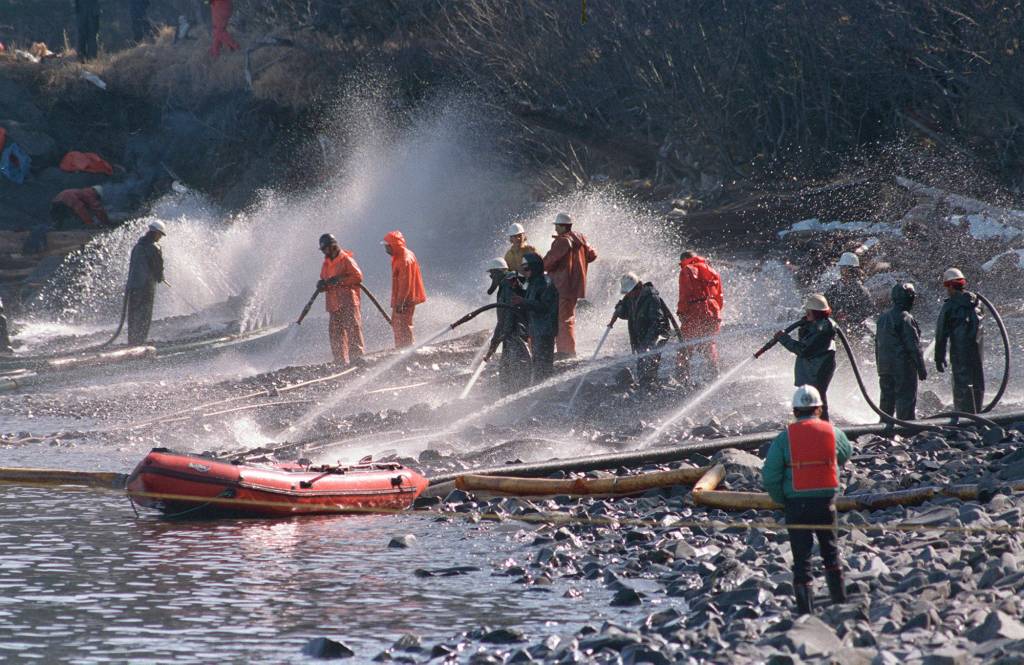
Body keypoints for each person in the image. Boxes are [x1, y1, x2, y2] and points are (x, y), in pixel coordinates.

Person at [762, 385, 853, 615]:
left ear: (795, 411)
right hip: (825, 501)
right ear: (819, 409)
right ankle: (840, 603)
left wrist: (781, 499)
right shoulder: (833, 432)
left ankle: (805, 612)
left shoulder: (785, 438)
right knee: (830, 552)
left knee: (801, 560)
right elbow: (845, 453)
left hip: (796, 505)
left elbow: (770, 474)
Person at [542, 212, 597, 357]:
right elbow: (593, 255)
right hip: (575, 286)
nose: (555, 230)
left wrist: (536, 268)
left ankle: (565, 352)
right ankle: (567, 350)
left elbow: (548, 262)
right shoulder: (581, 238)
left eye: (556, 226)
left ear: (562, 226)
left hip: (561, 286)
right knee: (568, 318)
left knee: (562, 320)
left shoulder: (562, 241)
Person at [775, 294, 837, 420]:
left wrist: (784, 339)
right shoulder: (817, 324)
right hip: (814, 368)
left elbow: (803, 350)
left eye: (808, 313)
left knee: (817, 400)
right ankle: (817, 425)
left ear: (815, 313)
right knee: (816, 399)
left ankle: (821, 426)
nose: (806, 315)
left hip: (817, 370)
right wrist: (806, 324)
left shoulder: (822, 328)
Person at [935, 268, 985, 413]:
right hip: (977, 352)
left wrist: (939, 357)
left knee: (962, 383)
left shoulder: (949, 306)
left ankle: (964, 416)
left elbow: (941, 333)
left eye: (946, 287)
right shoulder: (977, 302)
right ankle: (978, 414)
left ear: (950, 286)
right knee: (977, 380)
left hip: (960, 352)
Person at [875, 283, 927, 422]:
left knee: (886, 402)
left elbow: (878, 345)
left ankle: (884, 432)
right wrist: (921, 368)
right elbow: (914, 346)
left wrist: (880, 367)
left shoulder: (882, 318)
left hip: (885, 368)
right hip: (902, 369)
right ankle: (906, 433)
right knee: (905, 401)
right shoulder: (906, 318)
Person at [614, 272, 672, 389]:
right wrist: (619, 308)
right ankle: (646, 387)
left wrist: (648, 344)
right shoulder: (631, 297)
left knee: (648, 364)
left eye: (631, 292)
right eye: (628, 293)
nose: (629, 295)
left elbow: (658, 323)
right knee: (642, 364)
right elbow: (626, 314)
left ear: (639, 286)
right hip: (641, 336)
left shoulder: (651, 298)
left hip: (656, 337)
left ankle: (650, 389)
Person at [675, 250, 724, 386]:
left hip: (694, 311)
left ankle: (681, 379)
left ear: (685, 259)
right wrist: (716, 312)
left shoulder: (686, 270)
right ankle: (714, 375)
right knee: (709, 344)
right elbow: (720, 295)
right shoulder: (712, 271)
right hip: (713, 311)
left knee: (685, 346)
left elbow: (684, 294)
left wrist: (681, 312)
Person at [482, 258, 531, 393]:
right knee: (507, 367)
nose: (491, 277)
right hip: (512, 333)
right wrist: (493, 344)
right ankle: (510, 394)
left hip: (516, 333)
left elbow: (509, 312)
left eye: (492, 273)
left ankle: (519, 394)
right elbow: (503, 318)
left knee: (516, 365)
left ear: (499, 272)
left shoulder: (509, 285)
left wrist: (505, 333)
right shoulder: (506, 285)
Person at [317, 233, 364, 365]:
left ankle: (357, 359)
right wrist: (321, 285)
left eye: (325, 249)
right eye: (323, 250)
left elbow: (358, 277)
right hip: (333, 304)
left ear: (332, 246)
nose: (324, 252)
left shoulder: (346, 260)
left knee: (352, 330)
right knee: (335, 334)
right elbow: (325, 280)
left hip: (348, 302)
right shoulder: (326, 263)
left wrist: (340, 280)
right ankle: (339, 361)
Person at [513, 252, 559, 384]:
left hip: (544, 331)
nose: (525, 272)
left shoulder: (545, 282)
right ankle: (539, 390)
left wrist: (523, 301)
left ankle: (545, 393)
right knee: (537, 364)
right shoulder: (533, 282)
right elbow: (530, 300)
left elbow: (545, 306)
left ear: (535, 267)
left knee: (543, 366)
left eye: (526, 269)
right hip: (536, 330)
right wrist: (519, 292)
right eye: (523, 269)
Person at [383, 230, 426, 348]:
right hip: (407, 297)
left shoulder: (403, 260)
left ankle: (406, 349)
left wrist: (400, 302)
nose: (386, 250)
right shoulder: (402, 254)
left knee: (402, 324)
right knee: (399, 324)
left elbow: (405, 283)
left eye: (387, 246)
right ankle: (403, 347)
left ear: (393, 246)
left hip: (406, 298)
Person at [125, 221, 166, 345]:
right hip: (145, 286)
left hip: (132, 286)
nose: (160, 238)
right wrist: (160, 277)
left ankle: (132, 341)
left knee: (133, 314)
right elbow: (158, 267)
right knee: (144, 315)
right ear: (156, 233)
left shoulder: (137, 246)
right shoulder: (154, 247)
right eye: (160, 235)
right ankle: (141, 341)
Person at [823, 252, 874, 337]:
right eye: (842, 268)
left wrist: (848, 317)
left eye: (845, 268)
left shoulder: (861, 290)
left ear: (853, 270)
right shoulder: (834, 288)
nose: (843, 271)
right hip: (836, 327)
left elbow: (868, 311)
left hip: (854, 329)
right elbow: (825, 305)